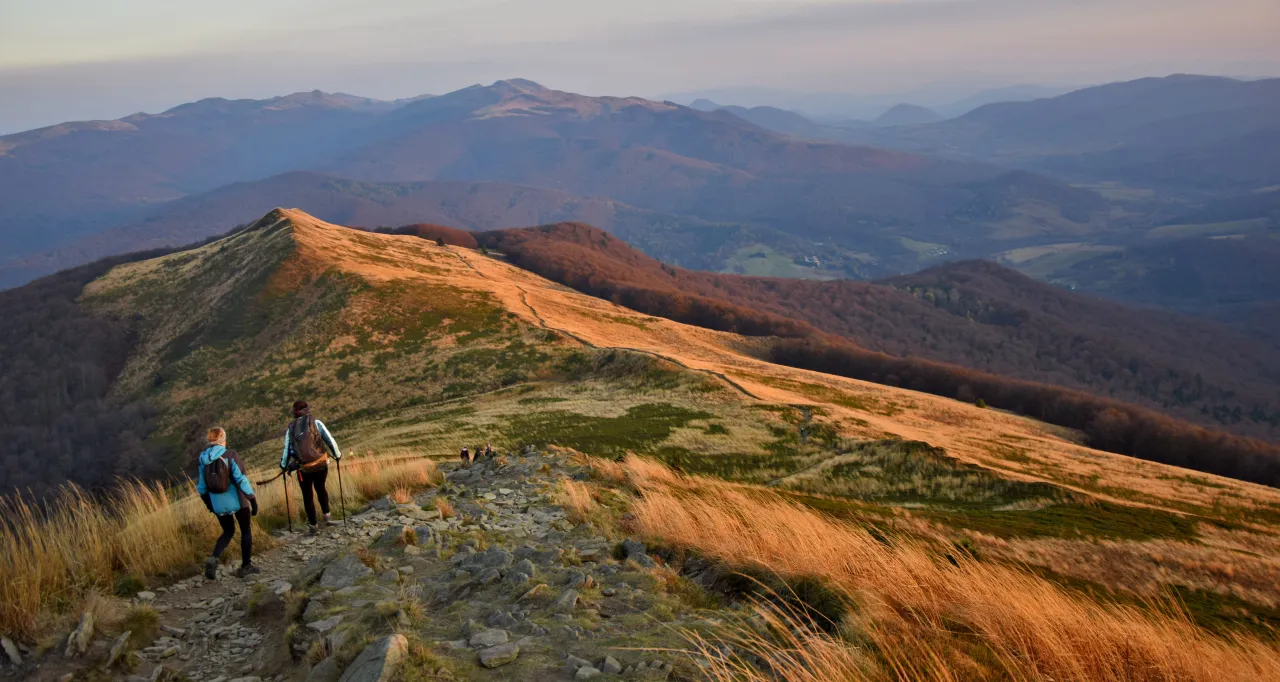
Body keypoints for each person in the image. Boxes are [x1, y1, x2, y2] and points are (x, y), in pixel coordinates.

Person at [197, 427, 259, 579]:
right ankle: (246, 566)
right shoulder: (230, 455)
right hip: (238, 500)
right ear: (223, 439)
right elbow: (241, 479)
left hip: (218, 503)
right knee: (245, 531)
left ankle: (213, 559)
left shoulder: (203, 459)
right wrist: (252, 499)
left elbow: (202, 487)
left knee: (228, 531)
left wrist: (210, 505)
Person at [280, 400, 343, 535]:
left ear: (294, 412)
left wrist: (283, 465)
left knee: (307, 495)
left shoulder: (291, 429)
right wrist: (337, 455)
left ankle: (313, 525)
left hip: (303, 468)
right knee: (321, 488)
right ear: (307, 409)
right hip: (320, 464)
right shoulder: (316, 422)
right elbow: (330, 440)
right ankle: (327, 517)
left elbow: (287, 450)